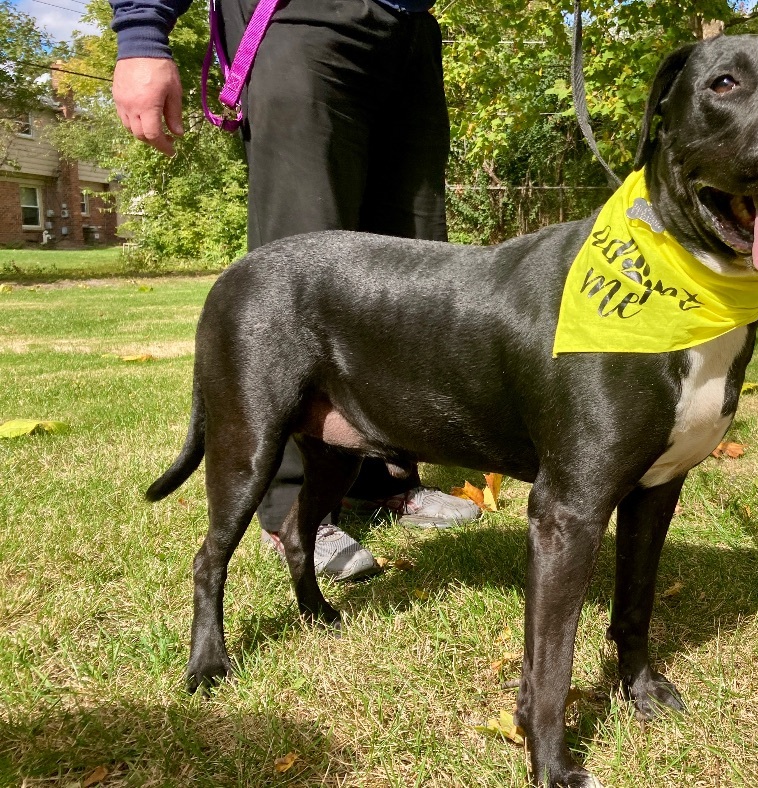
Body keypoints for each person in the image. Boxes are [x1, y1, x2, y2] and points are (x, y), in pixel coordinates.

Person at [109, 0, 481, 580]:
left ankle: (378, 479)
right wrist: (141, 34)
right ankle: (290, 507)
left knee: (409, 280)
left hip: (409, 35)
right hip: (303, 20)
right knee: (302, 280)